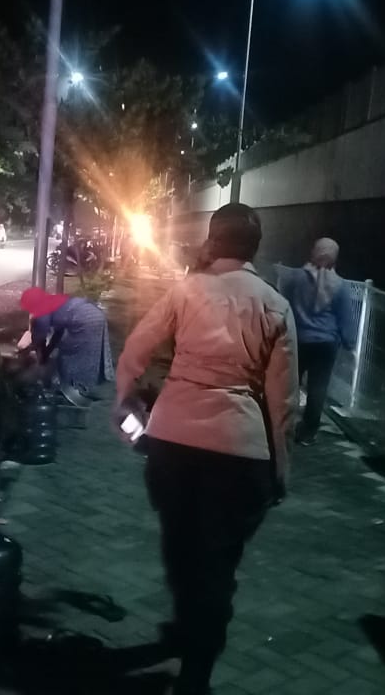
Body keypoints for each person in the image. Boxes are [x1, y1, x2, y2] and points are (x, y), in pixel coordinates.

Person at [114, 203, 298, 695]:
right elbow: (282, 403)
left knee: (179, 545)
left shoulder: (187, 290)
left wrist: (123, 401)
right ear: (255, 246)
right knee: (218, 563)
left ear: (213, 240)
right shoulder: (274, 305)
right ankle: (196, 671)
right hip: (239, 451)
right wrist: (282, 467)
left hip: (173, 442)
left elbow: (136, 348)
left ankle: (184, 626)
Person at [274, 237, 356, 445]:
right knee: (318, 388)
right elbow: (345, 317)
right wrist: (349, 343)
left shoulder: (295, 278)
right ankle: (308, 433)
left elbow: (283, 304)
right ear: (335, 258)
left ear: (313, 252)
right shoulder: (340, 285)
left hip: (299, 339)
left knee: (290, 385)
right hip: (326, 344)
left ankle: (283, 426)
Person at [19, 286, 114, 389]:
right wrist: (47, 351)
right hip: (97, 314)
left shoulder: (42, 310)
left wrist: (38, 353)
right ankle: (90, 382)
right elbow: (58, 334)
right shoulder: (53, 301)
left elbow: (40, 337)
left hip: (84, 319)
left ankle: (75, 385)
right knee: (91, 350)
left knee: (68, 354)